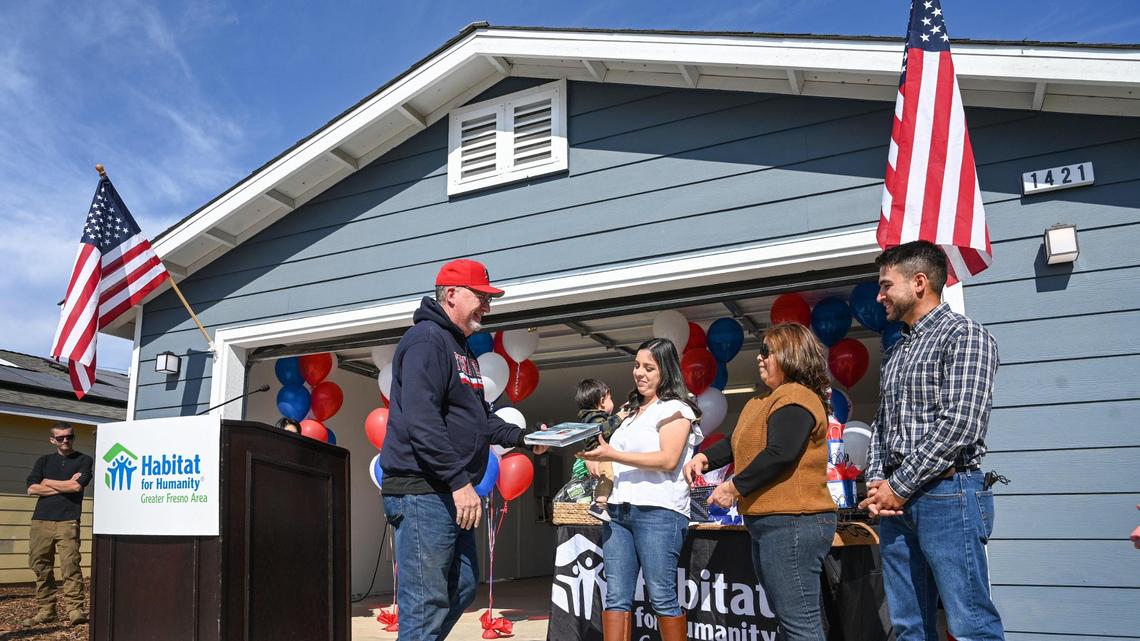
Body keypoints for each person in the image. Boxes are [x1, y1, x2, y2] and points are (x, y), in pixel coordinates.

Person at [380, 258, 548, 641]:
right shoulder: (426, 341)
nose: (487, 307)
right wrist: (458, 482)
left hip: (447, 493)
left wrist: (524, 439)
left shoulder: (460, 349)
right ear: (451, 295)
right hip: (425, 492)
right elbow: (422, 420)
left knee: (463, 586)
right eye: (482, 297)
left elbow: (479, 417)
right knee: (425, 605)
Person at [858, 240, 1005, 641]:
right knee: (909, 626)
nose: (879, 295)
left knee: (970, 624)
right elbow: (882, 424)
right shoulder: (897, 349)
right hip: (895, 505)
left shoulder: (966, 336)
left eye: (886, 285)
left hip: (948, 493)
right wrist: (877, 484)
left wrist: (897, 486)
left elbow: (961, 424)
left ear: (919, 282)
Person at [684, 322, 838, 641]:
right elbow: (736, 440)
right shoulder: (763, 401)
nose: (759, 358)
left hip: (793, 522)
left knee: (800, 625)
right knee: (789, 621)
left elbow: (780, 452)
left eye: (766, 351)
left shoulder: (797, 397)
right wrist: (705, 458)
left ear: (789, 354)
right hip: (771, 523)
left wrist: (733, 486)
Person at [578, 338, 702, 641]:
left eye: (649, 367)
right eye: (636, 366)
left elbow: (668, 459)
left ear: (666, 372)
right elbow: (605, 448)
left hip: (659, 513)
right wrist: (592, 457)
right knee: (616, 598)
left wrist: (612, 456)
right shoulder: (629, 412)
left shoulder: (676, 408)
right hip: (618, 512)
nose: (640, 373)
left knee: (662, 597)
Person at [23, 422, 93, 628]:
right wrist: (64, 486)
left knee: (70, 565)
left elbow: (76, 485)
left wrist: (47, 482)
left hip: (68, 520)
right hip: (41, 520)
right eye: (60, 438)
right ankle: (47, 610)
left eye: (69, 437)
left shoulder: (84, 460)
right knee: (40, 565)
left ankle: (75, 609)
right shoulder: (43, 461)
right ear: (52, 440)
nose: (65, 441)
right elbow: (31, 489)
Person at [574, 378, 625, 522]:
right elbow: (604, 431)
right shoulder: (595, 418)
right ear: (602, 400)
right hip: (600, 455)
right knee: (607, 477)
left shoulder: (587, 418)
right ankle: (599, 505)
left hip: (596, 455)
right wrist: (620, 417)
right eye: (611, 398)